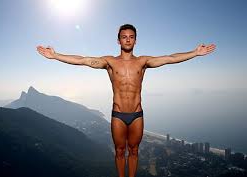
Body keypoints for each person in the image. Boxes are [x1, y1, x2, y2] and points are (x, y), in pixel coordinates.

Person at [36, 24, 216, 177]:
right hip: (118, 115)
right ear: (118, 41)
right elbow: (83, 60)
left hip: (137, 114)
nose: (128, 40)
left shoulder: (143, 62)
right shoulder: (110, 62)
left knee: (135, 151)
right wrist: (56, 55)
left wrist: (194, 52)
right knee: (120, 152)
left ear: (135, 40)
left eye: (131, 37)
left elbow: (170, 58)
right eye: (124, 37)